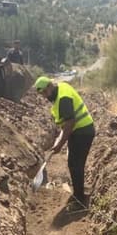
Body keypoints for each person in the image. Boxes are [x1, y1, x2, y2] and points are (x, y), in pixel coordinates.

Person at [35, 75, 95, 206]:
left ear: (50, 86)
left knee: (76, 164)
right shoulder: (60, 93)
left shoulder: (63, 99)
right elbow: (65, 126)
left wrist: (60, 144)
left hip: (83, 131)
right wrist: (58, 141)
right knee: (73, 163)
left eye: (45, 92)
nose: (45, 96)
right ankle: (78, 194)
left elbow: (70, 123)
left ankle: (80, 198)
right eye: (42, 94)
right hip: (77, 131)